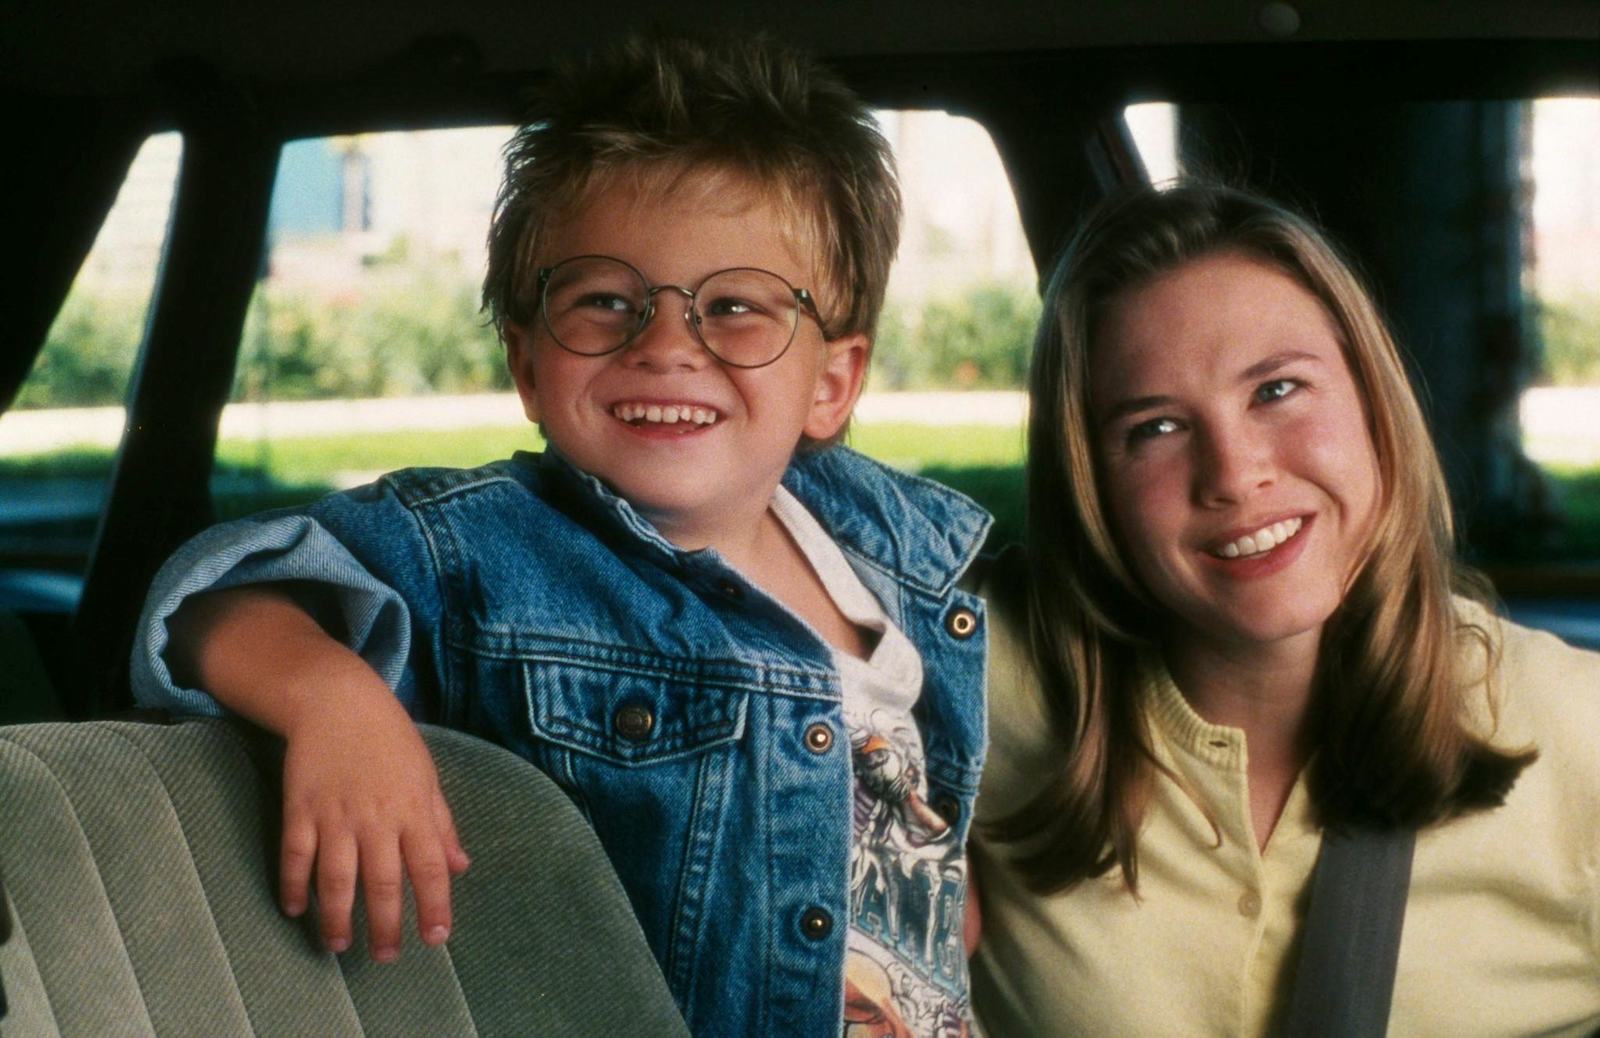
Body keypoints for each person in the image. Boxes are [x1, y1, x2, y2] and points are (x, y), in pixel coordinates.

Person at [131, 35, 988, 1037]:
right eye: (605, 303)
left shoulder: (902, 562)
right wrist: (334, 699)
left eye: (738, 308)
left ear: (833, 383)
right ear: (529, 363)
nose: (667, 345)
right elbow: (217, 597)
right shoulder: (485, 551)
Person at [969, 182, 1600, 1036]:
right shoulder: (969, 682)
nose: (1232, 473)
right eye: (1154, 429)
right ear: (1092, 486)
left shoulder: (1576, 734)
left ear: (1374, 399)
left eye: (1277, 390)